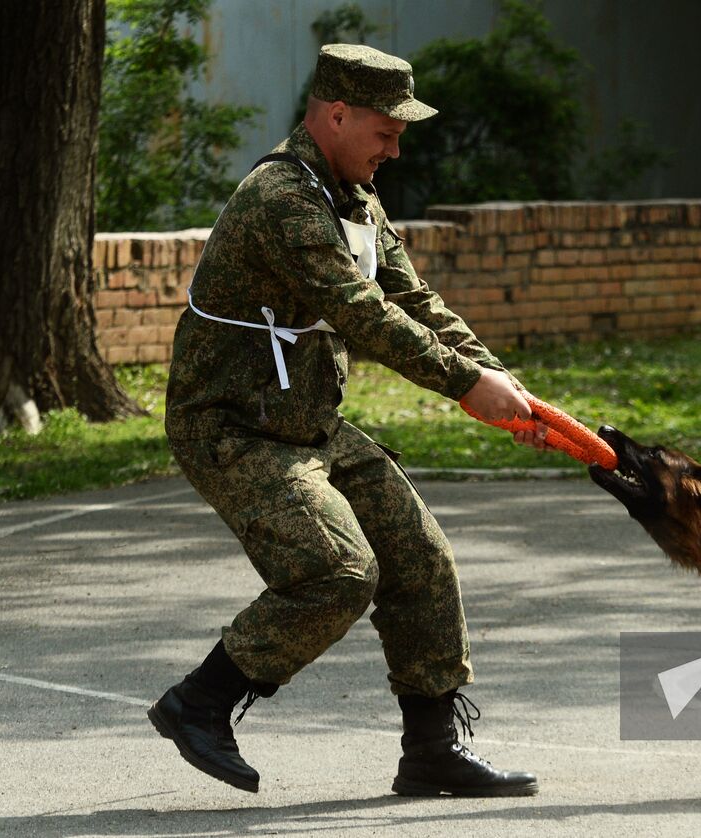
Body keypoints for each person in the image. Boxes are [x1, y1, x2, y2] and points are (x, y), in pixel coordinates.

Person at [150, 43, 546, 798]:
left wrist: (499, 378)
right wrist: (466, 385)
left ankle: (430, 750)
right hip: (232, 426)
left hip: (308, 423)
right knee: (338, 569)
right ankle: (198, 703)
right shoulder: (282, 199)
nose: (395, 149)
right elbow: (363, 315)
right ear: (336, 115)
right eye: (387, 132)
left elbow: (414, 299)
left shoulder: (351, 195)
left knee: (419, 558)